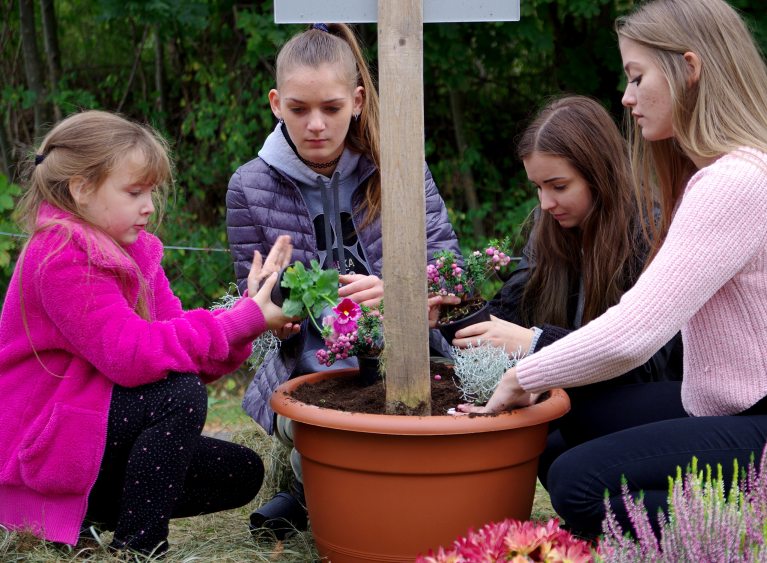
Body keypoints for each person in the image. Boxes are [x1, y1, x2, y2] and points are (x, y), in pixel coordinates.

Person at [458, 0, 767, 540]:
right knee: (562, 422)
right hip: (743, 406)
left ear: (690, 69)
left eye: (637, 77)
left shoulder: (736, 181)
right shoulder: (736, 168)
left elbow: (633, 336)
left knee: (576, 483)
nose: (627, 97)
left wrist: (522, 374)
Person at [0, 110, 296, 556]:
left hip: (89, 436)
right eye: (134, 192)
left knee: (241, 472)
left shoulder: (132, 251)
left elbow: (178, 349)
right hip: (44, 446)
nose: (149, 207)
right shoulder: (59, 253)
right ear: (81, 189)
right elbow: (133, 356)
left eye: (151, 192)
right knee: (178, 396)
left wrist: (247, 315)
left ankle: (86, 518)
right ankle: (139, 548)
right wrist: (245, 319)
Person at [226, 23, 459, 536]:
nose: (314, 125)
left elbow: (451, 272)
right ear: (274, 103)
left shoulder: (396, 163)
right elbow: (256, 306)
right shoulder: (249, 185)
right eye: (298, 109)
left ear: (356, 101)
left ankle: (319, 500)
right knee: (329, 433)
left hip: (410, 350)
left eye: (331, 109)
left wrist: (402, 293)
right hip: (312, 363)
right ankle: (337, 506)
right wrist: (273, 317)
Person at [450, 95, 683, 487]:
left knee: (560, 436)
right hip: (582, 404)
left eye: (558, 185)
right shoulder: (550, 233)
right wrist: (455, 313)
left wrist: (536, 343)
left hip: (662, 405)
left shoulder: (651, 234)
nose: (545, 203)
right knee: (546, 445)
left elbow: (646, 366)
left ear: (599, 172)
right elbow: (506, 315)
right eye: (538, 187)